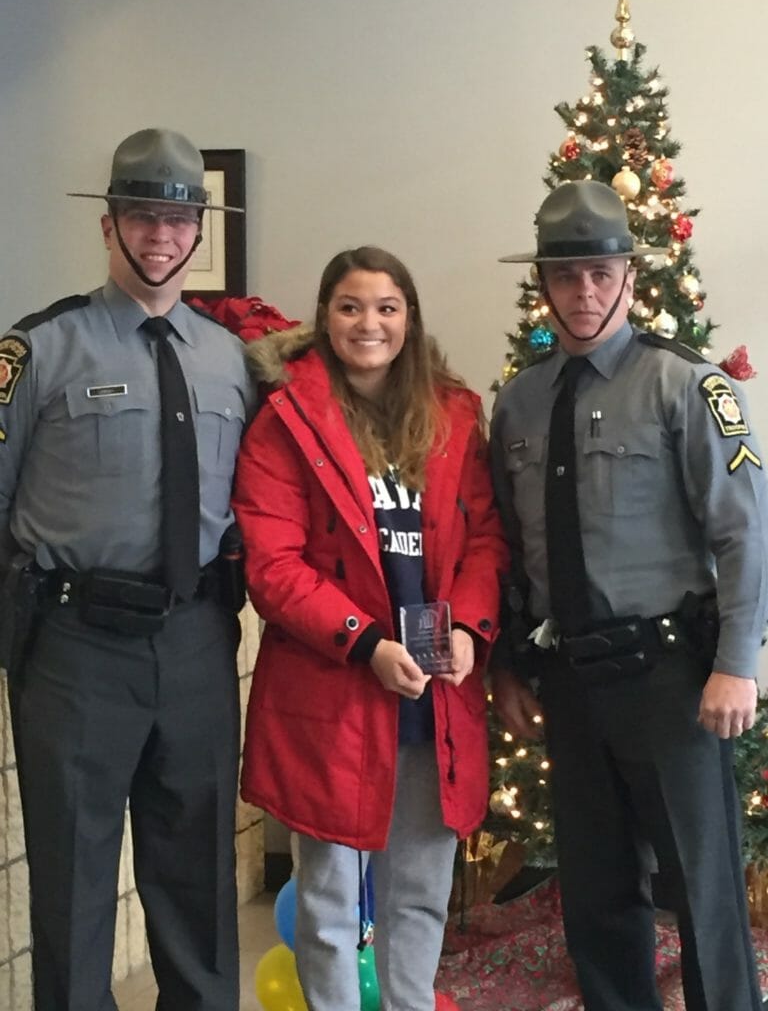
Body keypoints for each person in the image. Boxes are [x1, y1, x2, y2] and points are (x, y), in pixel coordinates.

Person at [489, 179, 768, 1011]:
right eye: (567, 276)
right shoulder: (520, 401)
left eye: (602, 274)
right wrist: (507, 664)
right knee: (597, 892)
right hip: (570, 681)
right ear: (543, 282)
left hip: (671, 681)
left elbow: (745, 534)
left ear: (631, 279)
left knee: (703, 887)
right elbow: (508, 548)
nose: (585, 293)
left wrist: (737, 664)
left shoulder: (687, 386)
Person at [0, 128, 256, 1011]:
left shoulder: (230, 359)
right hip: (75, 648)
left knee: (199, 873)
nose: (160, 233)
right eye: (141, 214)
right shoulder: (36, 351)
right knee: (73, 878)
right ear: (108, 227)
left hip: (193, 644)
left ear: (197, 232)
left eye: (178, 216)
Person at [232, 245, 508, 1011]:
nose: (369, 323)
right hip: (334, 688)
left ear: (409, 320)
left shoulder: (453, 414)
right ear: (325, 316)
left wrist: (471, 633)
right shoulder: (285, 419)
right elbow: (274, 564)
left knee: (418, 890)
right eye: (351, 306)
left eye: (387, 307)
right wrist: (364, 642)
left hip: (435, 692)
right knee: (327, 900)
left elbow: (485, 538)